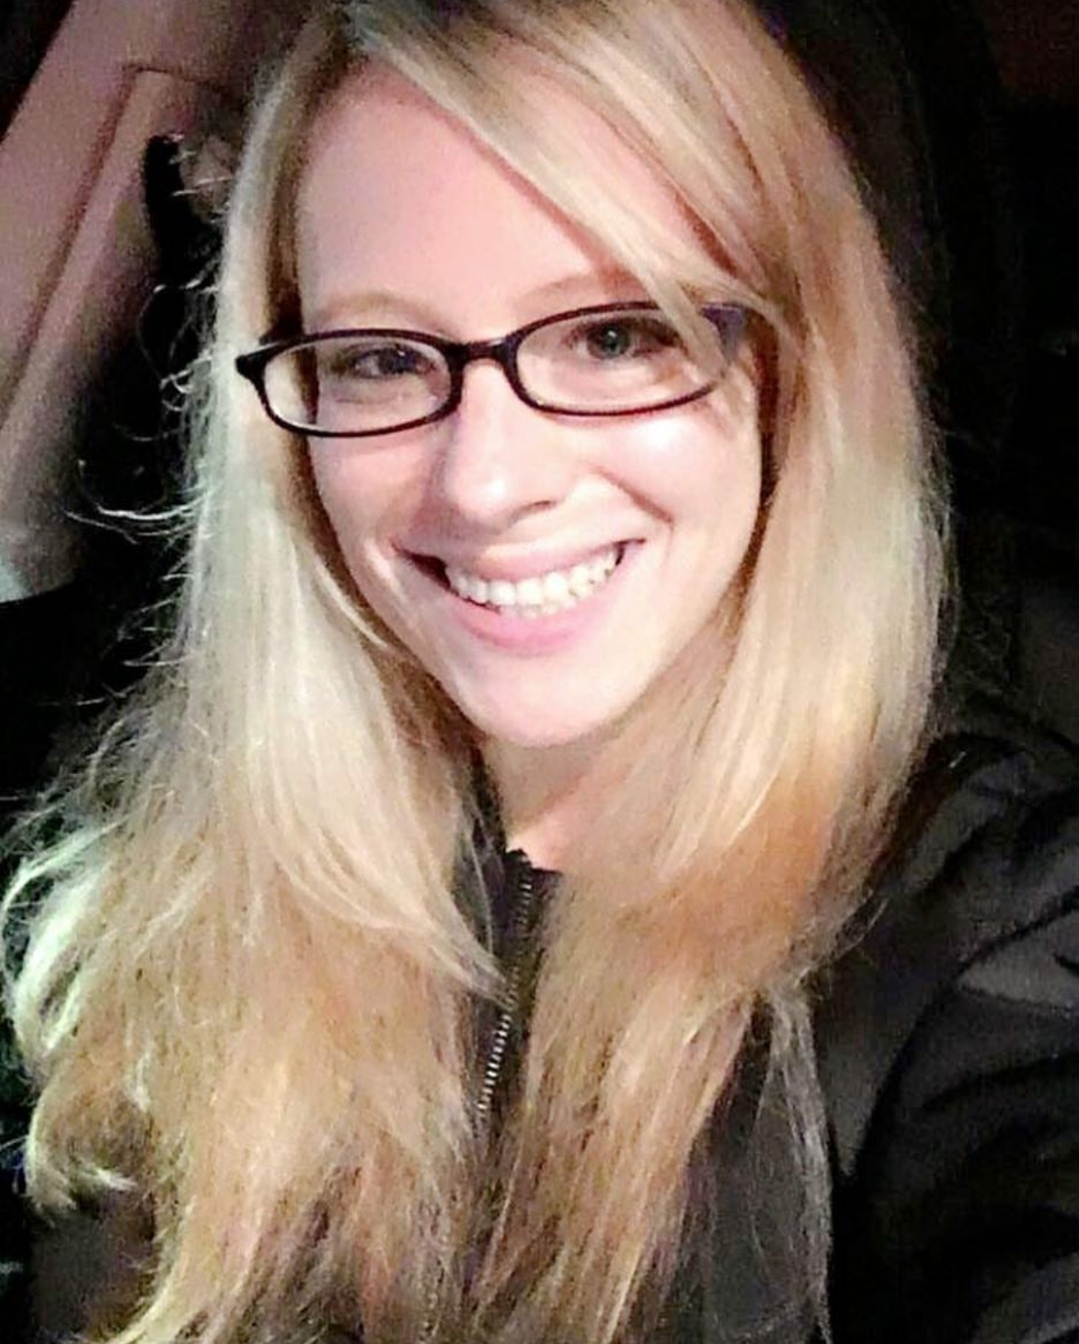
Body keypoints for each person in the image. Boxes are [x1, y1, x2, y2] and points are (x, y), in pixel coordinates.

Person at [3, 0, 1079, 1341]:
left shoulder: (1002, 930)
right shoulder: (171, 877)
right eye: (383, 358)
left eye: (615, 336)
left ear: (798, 367)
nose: (487, 481)